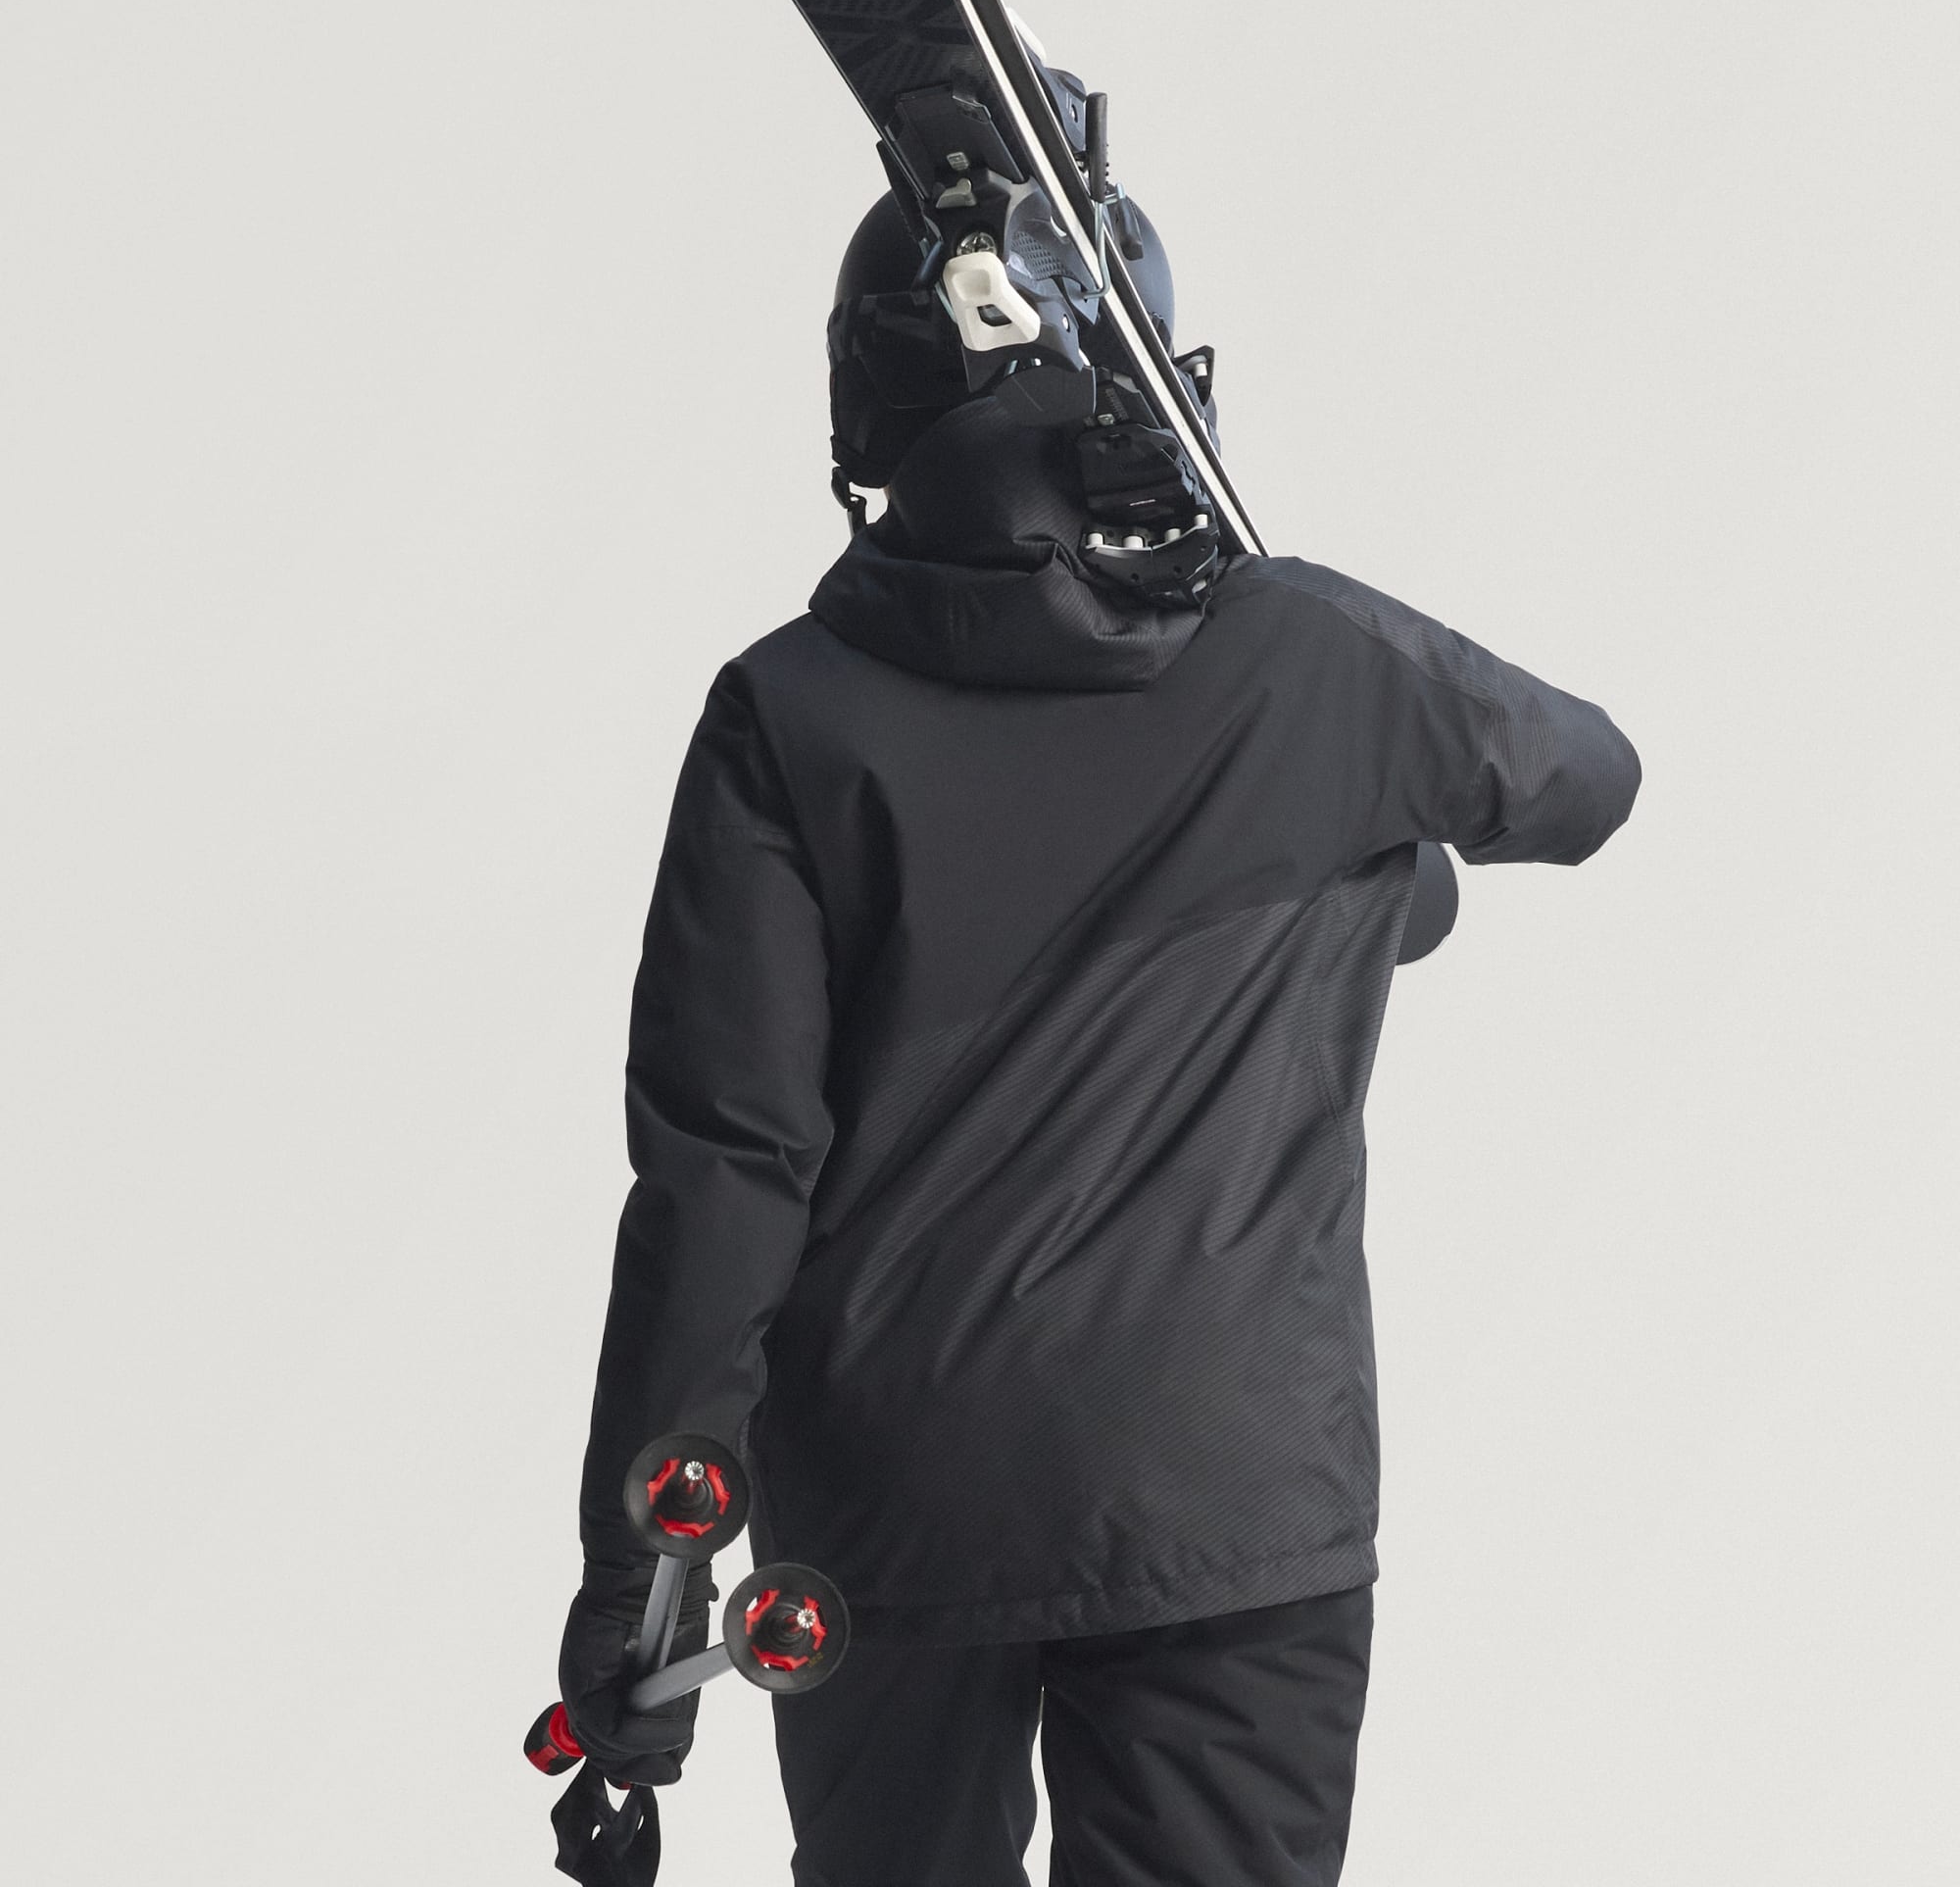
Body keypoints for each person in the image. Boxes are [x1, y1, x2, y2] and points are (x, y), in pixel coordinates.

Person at [555, 187, 1641, 1886]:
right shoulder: (1318, 659)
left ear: (867, 408)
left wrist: (638, 1584)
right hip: (1228, 1494)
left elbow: (722, 1173)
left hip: (885, 1518)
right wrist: (1364, 856)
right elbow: (1589, 782)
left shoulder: (786, 711)